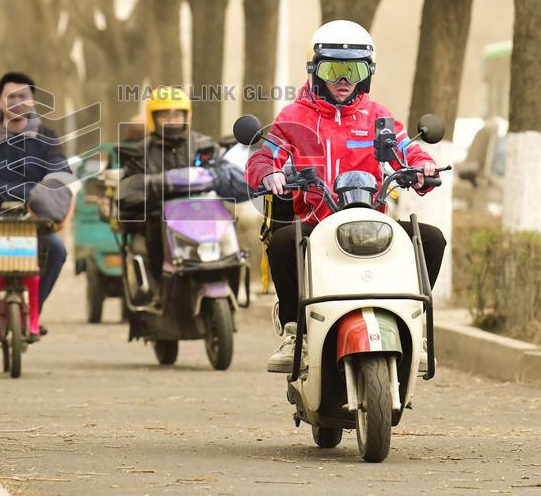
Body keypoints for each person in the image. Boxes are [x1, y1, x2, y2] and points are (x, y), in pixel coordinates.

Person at [245, 20, 447, 374]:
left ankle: (417, 329)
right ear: (315, 71)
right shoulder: (293, 117)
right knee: (282, 243)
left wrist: (423, 167)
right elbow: (263, 156)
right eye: (333, 69)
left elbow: (407, 151)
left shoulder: (379, 118)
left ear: (367, 73)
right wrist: (269, 172)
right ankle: (294, 333)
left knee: (431, 239)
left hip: (372, 223)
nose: (343, 79)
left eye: (354, 70)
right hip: (317, 224)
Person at [0, 72, 74, 340]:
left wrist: (46, 195)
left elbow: (59, 171)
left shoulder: (47, 138)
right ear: (0, 100)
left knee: (57, 250)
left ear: (32, 101)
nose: (16, 102)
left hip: (34, 217)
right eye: (10, 96)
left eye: (23, 96)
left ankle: (33, 310)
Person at [117, 87, 248, 298]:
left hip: (202, 217)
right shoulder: (139, 152)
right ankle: (159, 293)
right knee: (145, 239)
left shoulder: (204, 146)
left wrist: (218, 176)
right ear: (153, 118)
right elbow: (126, 191)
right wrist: (157, 184)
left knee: (230, 220)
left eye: (177, 115)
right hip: (159, 221)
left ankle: (232, 281)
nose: (172, 120)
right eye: (165, 115)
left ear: (187, 116)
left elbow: (236, 178)